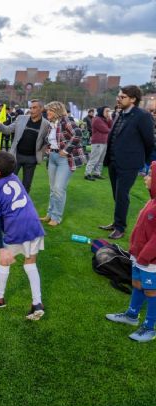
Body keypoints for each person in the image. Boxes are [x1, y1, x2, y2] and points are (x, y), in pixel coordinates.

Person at [0, 151, 46, 320]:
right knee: (30, 263)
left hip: (16, 228)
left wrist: (0, 248)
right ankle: (37, 302)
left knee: (4, 261)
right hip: (34, 223)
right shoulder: (14, 177)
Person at [106, 162, 156, 342]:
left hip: (150, 261)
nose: (146, 177)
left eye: (150, 175)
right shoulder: (152, 201)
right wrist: (134, 249)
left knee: (151, 291)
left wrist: (144, 256)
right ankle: (132, 315)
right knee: (136, 283)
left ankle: (150, 327)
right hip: (138, 256)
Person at [100, 85, 156, 239]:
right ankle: (116, 222)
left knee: (122, 194)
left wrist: (143, 161)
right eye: (118, 96)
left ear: (133, 99)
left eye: (122, 97)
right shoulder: (119, 113)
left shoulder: (142, 116)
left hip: (129, 163)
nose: (119, 99)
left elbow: (149, 141)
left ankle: (120, 227)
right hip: (113, 162)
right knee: (116, 195)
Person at [39, 101, 83, 227]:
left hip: (65, 159)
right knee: (53, 189)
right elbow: (53, 139)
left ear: (57, 111)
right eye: (47, 111)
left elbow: (78, 134)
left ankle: (56, 217)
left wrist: (66, 150)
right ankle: (50, 214)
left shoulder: (66, 120)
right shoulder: (51, 124)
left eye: (50, 111)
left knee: (58, 189)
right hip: (52, 157)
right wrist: (49, 147)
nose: (48, 113)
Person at [0, 100, 51, 194]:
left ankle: (23, 205)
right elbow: (8, 130)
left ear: (41, 109)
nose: (32, 110)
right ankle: (7, 202)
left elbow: (46, 142)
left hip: (32, 159)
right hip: (16, 156)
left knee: (26, 185)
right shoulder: (21, 118)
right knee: (8, 182)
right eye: (31, 108)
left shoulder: (46, 124)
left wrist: (41, 154)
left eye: (34, 108)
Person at [84, 106, 112, 181]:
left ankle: (97, 173)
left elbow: (110, 126)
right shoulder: (97, 119)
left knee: (100, 160)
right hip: (98, 142)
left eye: (109, 111)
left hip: (104, 142)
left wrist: (109, 119)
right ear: (102, 111)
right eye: (107, 111)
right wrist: (111, 129)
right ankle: (87, 174)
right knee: (94, 158)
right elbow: (106, 130)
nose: (108, 113)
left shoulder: (104, 119)